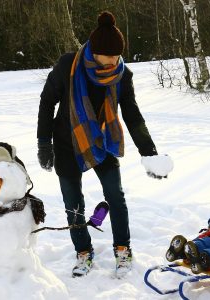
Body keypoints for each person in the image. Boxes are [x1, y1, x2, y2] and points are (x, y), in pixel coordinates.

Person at [36, 11, 173, 278]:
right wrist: (44, 142)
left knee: (116, 197)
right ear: (94, 52)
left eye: (117, 55)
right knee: (73, 203)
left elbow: (132, 114)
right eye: (108, 55)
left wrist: (149, 153)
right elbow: (46, 101)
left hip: (102, 141)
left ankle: (123, 248)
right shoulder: (68, 66)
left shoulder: (122, 75)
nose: (114, 61)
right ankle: (83, 252)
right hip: (66, 142)